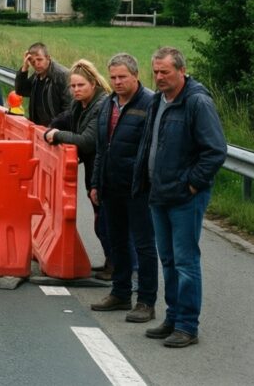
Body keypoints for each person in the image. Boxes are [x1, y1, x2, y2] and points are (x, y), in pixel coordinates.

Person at [133, 47, 226, 348]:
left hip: (184, 196)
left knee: (185, 262)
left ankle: (187, 325)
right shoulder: (158, 100)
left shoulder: (196, 102)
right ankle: (173, 318)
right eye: (156, 72)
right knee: (169, 260)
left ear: (181, 71)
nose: (159, 77)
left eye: (165, 72)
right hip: (159, 193)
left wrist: (192, 185)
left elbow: (214, 151)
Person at [88, 53, 158, 323]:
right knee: (117, 242)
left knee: (143, 245)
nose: (117, 82)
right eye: (113, 77)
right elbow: (101, 148)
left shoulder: (150, 104)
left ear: (135, 76)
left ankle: (146, 301)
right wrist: (96, 182)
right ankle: (120, 293)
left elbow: (153, 147)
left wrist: (147, 182)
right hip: (111, 186)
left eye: (122, 77)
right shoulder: (108, 104)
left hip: (138, 188)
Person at [42, 59, 111, 281]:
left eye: (80, 85)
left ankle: (119, 266)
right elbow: (66, 118)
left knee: (107, 220)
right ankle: (112, 262)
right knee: (100, 218)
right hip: (93, 168)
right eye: (73, 86)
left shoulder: (100, 106)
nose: (76, 90)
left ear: (93, 84)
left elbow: (88, 140)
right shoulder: (80, 104)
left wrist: (57, 136)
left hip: (104, 169)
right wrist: (52, 127)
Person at [15, 42, 72, 126]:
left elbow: (69, 107)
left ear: (48, 58)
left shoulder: (61, 75)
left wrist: (55, 127)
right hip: (38, 128)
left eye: (39, 59)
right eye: (33, 62)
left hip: (55, 130)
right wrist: (25, 67)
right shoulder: (37, 75)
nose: (37, 64)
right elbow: (21, 91)